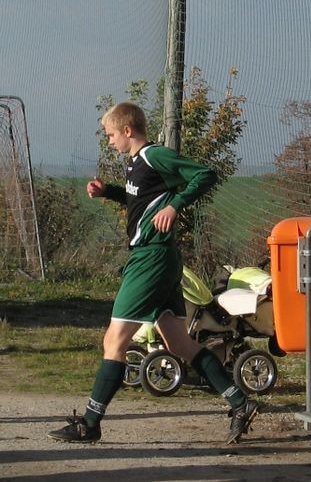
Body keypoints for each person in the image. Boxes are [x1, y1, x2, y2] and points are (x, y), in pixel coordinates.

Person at [48, 102, 259, 445]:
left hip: (151, 260)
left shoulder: (154, 155)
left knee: (113, 341)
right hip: (158, 258)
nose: (110, 141)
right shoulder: (135, 164)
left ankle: (89, 423)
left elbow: (206, 175)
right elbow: (141, 202)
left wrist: (176, 205)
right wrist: (109, 192)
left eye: (111, 135)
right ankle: (240, 401)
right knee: (178, 342)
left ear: (127, 131)